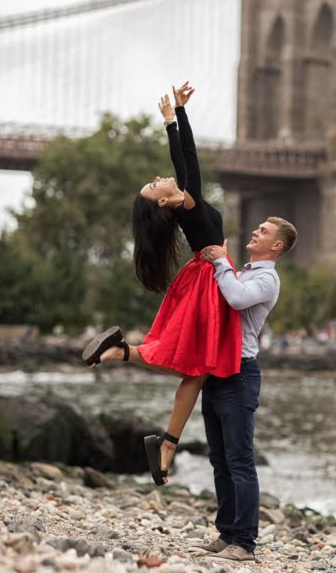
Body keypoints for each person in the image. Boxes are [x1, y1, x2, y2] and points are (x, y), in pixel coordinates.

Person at [82, 82, 241, 485]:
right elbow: (188, 159)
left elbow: (185, 162)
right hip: (210, 283)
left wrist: (176, 117)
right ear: (164, 203)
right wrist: (175, 119)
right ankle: (166, 441)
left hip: (205, 278)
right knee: (196, 365)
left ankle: (126, 359)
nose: (158, 178)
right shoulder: (187, 203)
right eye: (154, 187)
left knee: (193, 366)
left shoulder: (188, 206)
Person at [197, 215, 297, 562]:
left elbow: (237, 300)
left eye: (264, 232)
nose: (256, 232)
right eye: (257, 228)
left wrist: (220, 261)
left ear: (277, 245)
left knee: (240, 462)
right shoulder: (245, 271)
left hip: (241, 375)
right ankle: (226, 535)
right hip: (218, 372)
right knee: (219, 460)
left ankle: (245, 544)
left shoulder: (267, 278)